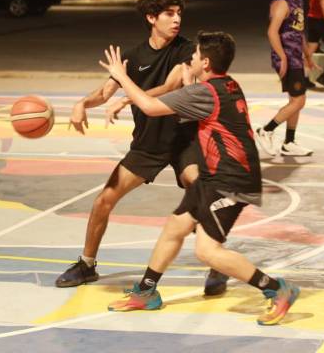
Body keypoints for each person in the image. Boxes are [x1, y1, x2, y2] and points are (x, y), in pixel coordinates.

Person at [100, 32, 300, 326]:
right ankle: (146, 291)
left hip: (231, 181)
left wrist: (121, 76)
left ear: (204, 62)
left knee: (207, 251)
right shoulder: (226, 84)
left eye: (193, 55)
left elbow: (151, 108)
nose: (189, 58)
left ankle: (277, 289)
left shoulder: (204, 92)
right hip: (215, 175)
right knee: (175, 227)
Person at [56, 0, 229, 296]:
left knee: (200, 188)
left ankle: (217, 262)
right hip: (148, 143)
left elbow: (171, 84)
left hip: (183, 140)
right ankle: (87, 264)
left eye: (179, 13)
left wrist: (130, 99)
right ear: (152, 17)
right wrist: (81, 103)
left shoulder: (187, 50)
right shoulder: (134, 56)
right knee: (103, 200)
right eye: (169, 14)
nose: (177, 19)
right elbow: (104, 92)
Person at [256, 0, 314, 158]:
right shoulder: (283, 2)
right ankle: (266, 130)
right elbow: (272, 31)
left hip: (296, 57)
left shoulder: (298, 1)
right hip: (287, 57)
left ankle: (289, 142)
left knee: (294, 100)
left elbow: (299, 31)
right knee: (299, 100)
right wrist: (282, 57)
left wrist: (307, 55)